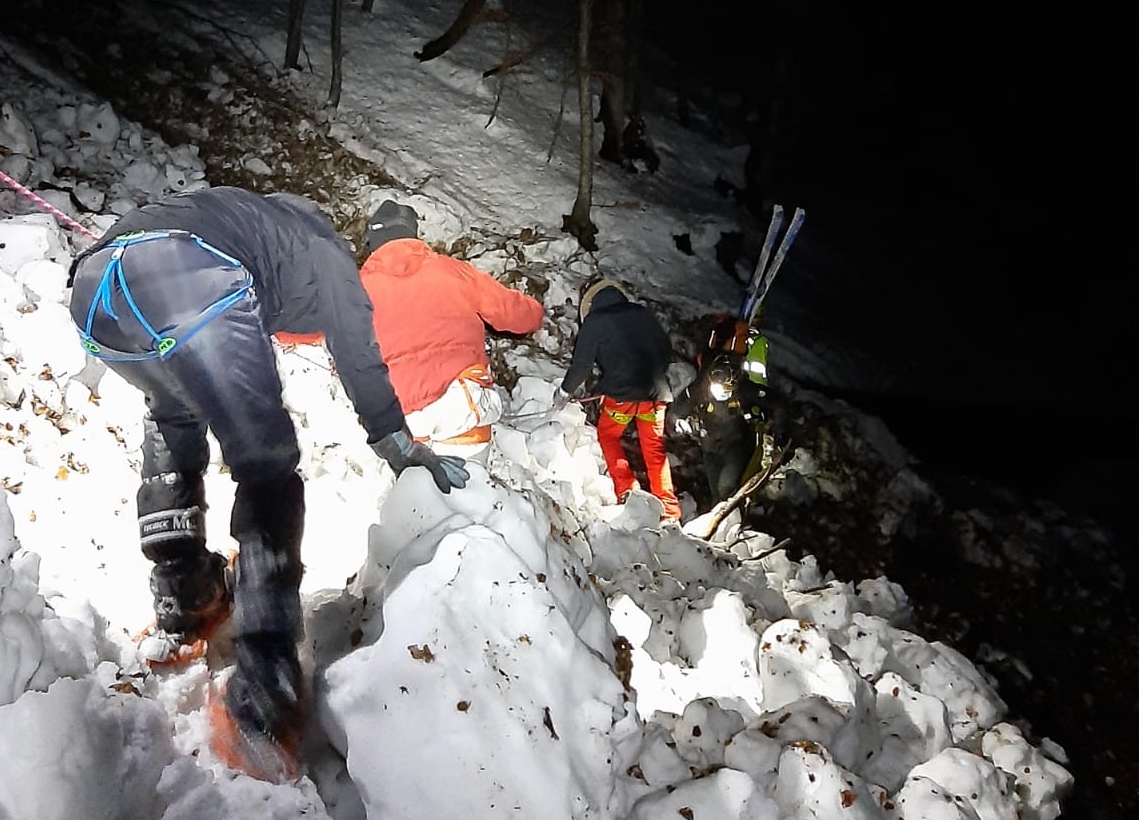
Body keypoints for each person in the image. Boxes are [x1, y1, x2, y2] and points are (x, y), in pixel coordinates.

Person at [67, 187, 465, 782]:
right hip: (190, 281)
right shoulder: (325, 248)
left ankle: (186, 600)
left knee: (175, 414)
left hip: (96, 295)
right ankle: (264, 692)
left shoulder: (248, 220)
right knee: (268, 464)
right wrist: (397, 443)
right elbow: (357, 349)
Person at [359, 198, 544, 465]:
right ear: (413, 235)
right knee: (468, 495)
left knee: (416, 501)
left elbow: (317, 331)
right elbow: (519, 315)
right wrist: (536, 312)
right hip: (461, 405)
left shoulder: (356, 288)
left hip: (400, 420)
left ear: (373, 242)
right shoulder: (454, 271)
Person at [555, 279, 681, 521]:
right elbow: (666, 351)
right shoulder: (643, 314)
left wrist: (564, 392)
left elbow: (581, 365)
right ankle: (670, 511)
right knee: (654, 450)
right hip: (656, 396)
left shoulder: (596, 321)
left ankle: (628, 492)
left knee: (609, 435)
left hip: (621, 396)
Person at [668, 318, 792, 506]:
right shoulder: (700, 388)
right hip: (709, 446)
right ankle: (716, 525)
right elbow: (678, 409)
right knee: (715, 493)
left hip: (735, 446)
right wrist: (680, 422)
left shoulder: (744, 389)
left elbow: (778, 403)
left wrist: (780, 435)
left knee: (726, 490)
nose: (721, 394)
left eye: (725, 390)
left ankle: (730, 523)